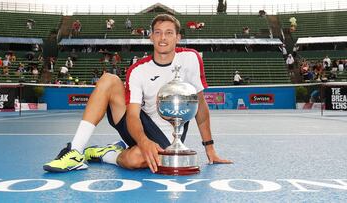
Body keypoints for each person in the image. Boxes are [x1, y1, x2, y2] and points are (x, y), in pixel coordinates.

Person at [43, 14, 232, 173]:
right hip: (139, 125)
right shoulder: (138, 69)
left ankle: (106, 153)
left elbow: (199, 105)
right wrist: (143, 141)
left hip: (168, 135)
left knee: (135, 160)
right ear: (151, 37)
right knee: (109, 79)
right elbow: (132, 114)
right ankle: (75, 152)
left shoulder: (191, 58)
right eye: (157, 33)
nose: (163, 38)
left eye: (169, 33)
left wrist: (210, 148)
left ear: (178, 37)